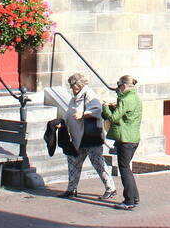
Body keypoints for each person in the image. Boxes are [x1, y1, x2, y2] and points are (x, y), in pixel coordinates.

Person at [60, 73, 114, 201]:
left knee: (98, 163)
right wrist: (62, 123)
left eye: (72, 86)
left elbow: (97, 110)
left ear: (78, 86)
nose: (71, 88)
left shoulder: (88, 94)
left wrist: (83, 114)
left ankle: (110, 188)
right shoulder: (74, 98)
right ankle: (71, 189)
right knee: (73, 162)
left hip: (90, 137)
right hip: (77, 137)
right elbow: (69, 114)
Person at [103, 74, 143, 211]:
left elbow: (114, 118)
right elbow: (126, 114)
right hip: (133, 138)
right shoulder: (135, 98)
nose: (118, 89)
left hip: (125, 139)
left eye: (119, 86)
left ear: (124, 86)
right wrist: (117, 104)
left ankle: (129, 200)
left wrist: (106, 107)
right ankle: (134, 197)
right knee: (127, 169)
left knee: (124, 169)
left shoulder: (126, 99)